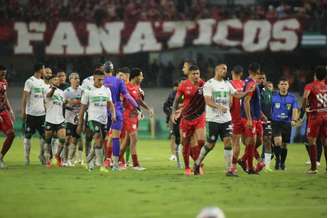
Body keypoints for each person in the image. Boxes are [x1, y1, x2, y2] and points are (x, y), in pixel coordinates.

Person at [193, 64, 251, 176]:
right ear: (216, 70)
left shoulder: (227, 84)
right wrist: (218, 106)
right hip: (213, 120)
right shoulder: (209, 84)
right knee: (210, 144)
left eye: (226, 69)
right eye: (223, 69)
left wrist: (246, 93)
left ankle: (229, 170)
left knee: (228, 142)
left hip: (226, 119)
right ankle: (197, 163)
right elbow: (208, 101)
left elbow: (236, 94)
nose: (225, 71)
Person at [102, 61, 139, 171]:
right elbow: (127, 96)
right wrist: (137, 107)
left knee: (99, 137)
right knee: (116, 138)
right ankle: (116, 164)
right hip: (116, 111)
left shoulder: (99, 81)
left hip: (101, 111)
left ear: (103, 70)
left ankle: (102, 161)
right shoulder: (119, 81)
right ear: (113, 71)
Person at [77, 69, 116, 172]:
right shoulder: (88, 91)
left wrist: (113, 114)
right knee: (97, 137)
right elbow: (83, 108)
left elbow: (110, 104)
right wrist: (80, 123)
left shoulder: (106, 90)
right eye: (99, 80)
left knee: (101, 142)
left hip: (104, 119)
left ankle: (89, 160)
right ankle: (101, 164)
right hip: (92, 119)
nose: (101, 82)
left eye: (102, 80)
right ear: (94, 78)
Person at [171, 65, 205, 176]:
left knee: (201, 141)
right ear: (189, 75)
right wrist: (173, 113)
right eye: (194, 74)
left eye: (197, 73)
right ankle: (188, 167)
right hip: (186, 118)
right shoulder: (183, 85)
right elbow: (176, 101)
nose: (196, 76)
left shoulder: (203, 84)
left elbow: (208, 98)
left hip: (199, 117)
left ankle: (198, 162)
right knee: (185, 143)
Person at [119, 68, 153, 170]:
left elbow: (139, 101)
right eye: (141, 75)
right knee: (134, 138)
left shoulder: (137, 87)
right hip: (128, 116)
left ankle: (116, 160)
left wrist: (148, 109)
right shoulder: (125, 87)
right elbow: (120, 100)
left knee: (127, 142)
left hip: (135, 116)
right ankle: (135, 164)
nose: (142, 77)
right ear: (136, 76)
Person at [300, 66, 327, 174]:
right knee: (325, 142)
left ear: (315, 74)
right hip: (326, 115)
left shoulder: (310, 86)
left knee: (312, 141)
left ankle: (313, 168)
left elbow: (305, 97)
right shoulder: (326, 85)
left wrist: (304, 108)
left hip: (315, 116)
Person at [239, 63, 264, 174]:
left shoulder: (249, 82)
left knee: (258, 141)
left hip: (256, 117)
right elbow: (246, 101)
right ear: (258, 71)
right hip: (250, 118)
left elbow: (253, 101)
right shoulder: (251, 83)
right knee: (251, 143)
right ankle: (250, 168)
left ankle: (243, 159)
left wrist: (261, 114)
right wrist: (249, 119)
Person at [21, 63, 47, 166]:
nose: (45, 71)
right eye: (44, 69)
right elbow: (24, 97)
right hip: (31, 114)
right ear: (40, 70)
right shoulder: (29, 81)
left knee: (44, 136)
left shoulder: (42, 82)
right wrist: (23, 111)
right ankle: (26, 158)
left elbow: (44, 98)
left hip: (42, 114)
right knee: (28, 136)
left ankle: (42, 156)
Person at [271, 78, 299, 170]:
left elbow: (295, 110)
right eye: (282, 84)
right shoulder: (273, 97)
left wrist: (294, 120)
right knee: (277, 141)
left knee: (284, 145)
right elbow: (270, 109)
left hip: (287, 123)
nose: (283, 86)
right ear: (278, 86)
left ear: (288, 86)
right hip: (276, 122)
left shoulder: (292, 98)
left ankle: (282, 163)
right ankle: (277, 161)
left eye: (285, 84)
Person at [43, 75, 67, 167]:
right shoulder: (46, 90)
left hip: (60, 119)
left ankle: (57, 156)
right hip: (49, 119)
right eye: (55, 79)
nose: (57, 81)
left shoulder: (62, 92)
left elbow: (63, 104)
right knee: (48, 141)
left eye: (58, 79)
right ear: (50, 81)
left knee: (62, 139)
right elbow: (49, 96)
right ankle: (48, 160)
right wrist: (53, 89)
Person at [64, 72, 83, 166]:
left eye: (78, 78)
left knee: (75, 139)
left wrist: (78, 103)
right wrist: (70, 105)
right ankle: (65, 159)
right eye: (75, 78)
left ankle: (70, 159)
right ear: (70, 80)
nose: (77, 80)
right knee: (67, 139)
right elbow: (63, 105)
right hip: (69, 119)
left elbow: (85, 103)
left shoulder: (82, 90)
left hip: (79, 119)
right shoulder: (66, 92)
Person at [229, 65, 245, 173]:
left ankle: (233, 166)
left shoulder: (229, 84)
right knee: (247, 142)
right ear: (241, 74)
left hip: (234, 117)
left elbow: (230, 103)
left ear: (232, 72)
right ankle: (245, 161)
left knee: (235, 142)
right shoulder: (245, 84)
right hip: (245, 116)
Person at [0, 65, 15, 168]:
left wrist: (10, 110)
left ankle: (0, 158)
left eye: (4, 74)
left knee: (11, 134)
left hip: (3, 111)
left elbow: (5, 96)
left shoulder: (4, 82)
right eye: (1, 73)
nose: (3, 75)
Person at [163, 81, 181, 165]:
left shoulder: (185, 94)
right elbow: (166, 107)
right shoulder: (172, 95)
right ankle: (173, 154)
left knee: (181, 136)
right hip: (174, 118)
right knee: (173, 135)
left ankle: (179, 152)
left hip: (184, 118)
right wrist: (169, 118)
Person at [259, 76, 274, 172]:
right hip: (255, 120)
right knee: (254, 143)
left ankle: (267, 165)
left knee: (268, 140)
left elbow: (271, 107)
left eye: (263, 78)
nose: (262, 80)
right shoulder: (253, 89)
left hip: (267, 121)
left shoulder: (268, 92)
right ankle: (248, 161)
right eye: (260, 78)